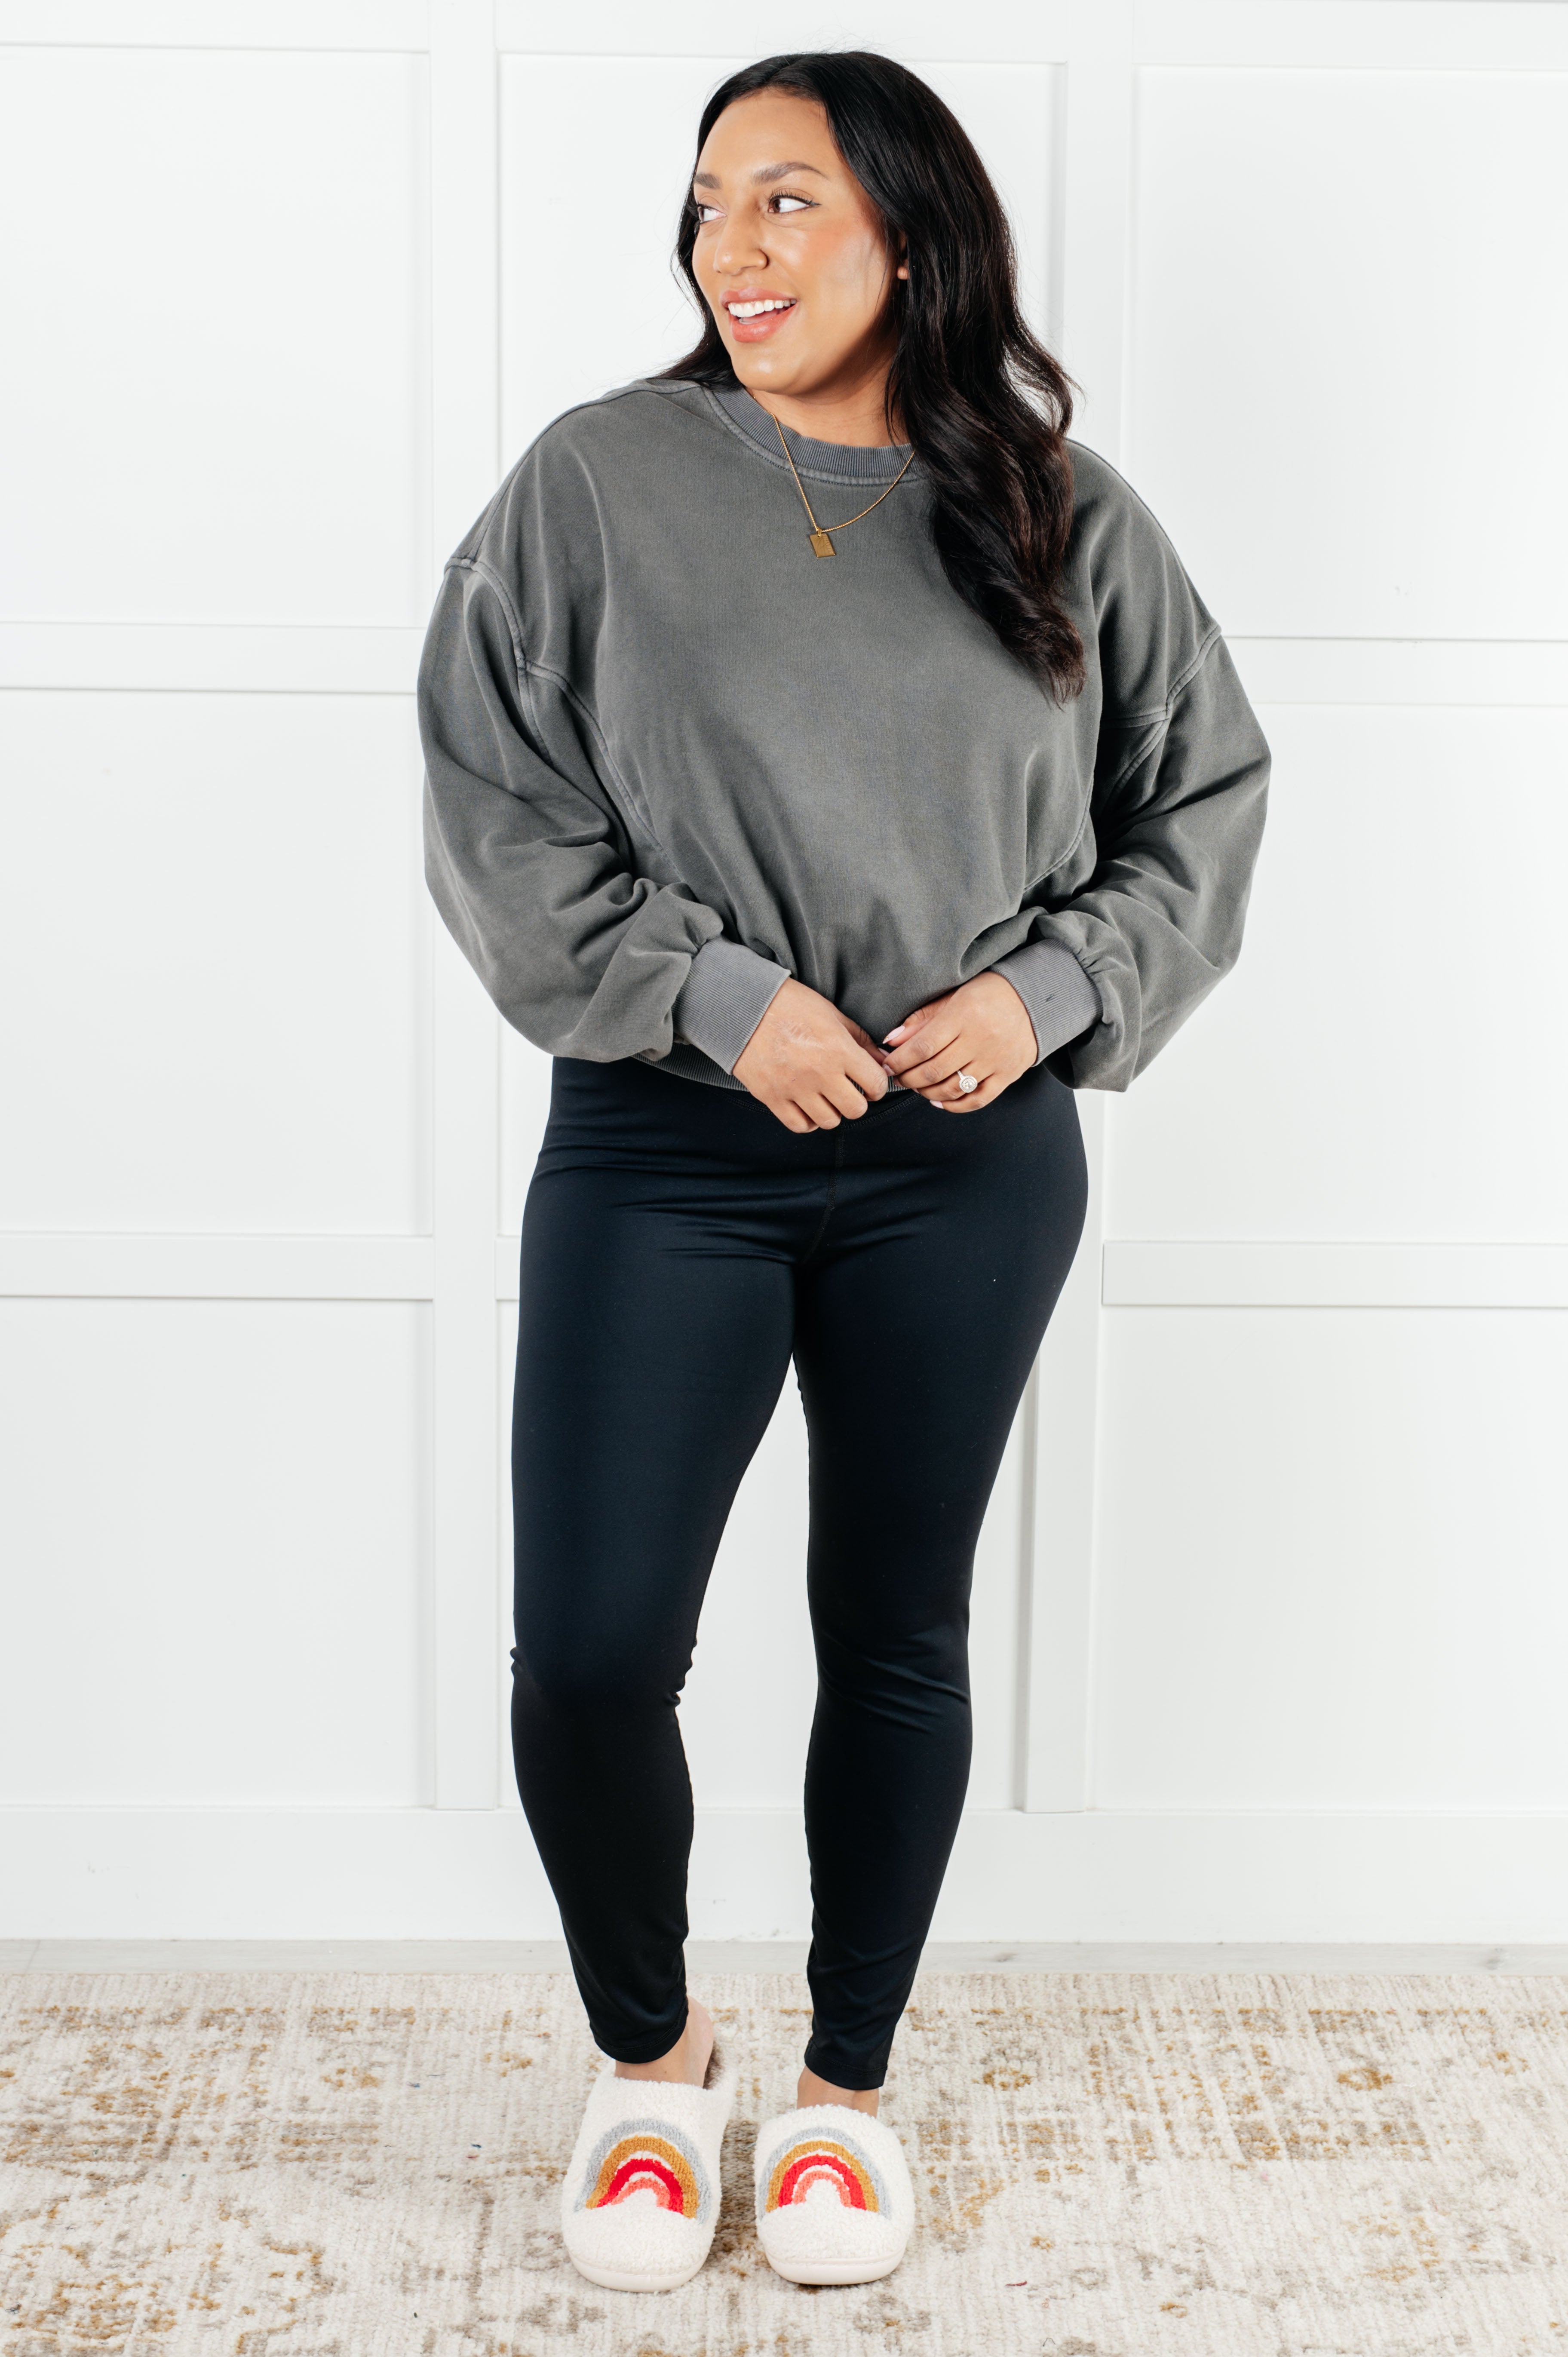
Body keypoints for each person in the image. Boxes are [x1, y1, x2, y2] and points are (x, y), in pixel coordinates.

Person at [418, 48, 1269, 2297]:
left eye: (785, 201)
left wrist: (1057, 991)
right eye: (709, 205)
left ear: (910, 229)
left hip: (966, 1161)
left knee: (889, 1632)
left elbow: (1205, 803)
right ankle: (653, 2058)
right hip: (665, 1150)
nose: (733, 248)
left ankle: (847, 2098)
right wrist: (716, 1000)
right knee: (590, 1653)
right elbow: (498, 806)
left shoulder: (1059, 511)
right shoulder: (595, 487)